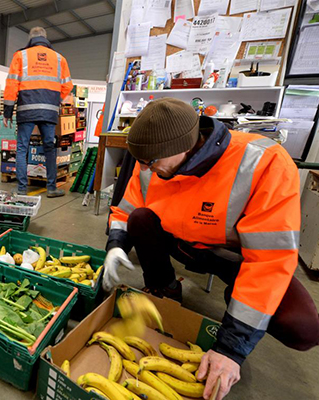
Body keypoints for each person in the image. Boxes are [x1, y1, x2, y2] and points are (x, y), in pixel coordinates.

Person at [102, 98, 319, 399]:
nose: (145, 169)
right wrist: (116, 246)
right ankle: (164, 287)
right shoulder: (152, 163)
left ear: (185, 146)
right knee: (140, 218)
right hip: (183, 244)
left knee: (303, 328)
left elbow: (269, 261)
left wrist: (231, 349)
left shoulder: (263, 163)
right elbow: (126, 211)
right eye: (141, 161)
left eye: (151, 162)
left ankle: (238, 301)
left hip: (237, 260)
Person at [3, 27, 72, 198]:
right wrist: (54, 100)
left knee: (22, 148)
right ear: (45, 38)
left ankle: (21, 188)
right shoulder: (60, 59)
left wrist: (7, 112)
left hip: (26, 109)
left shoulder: (20, 55)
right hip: (49, 111)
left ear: (31, 38)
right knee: (49, 148)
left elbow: (12, 84)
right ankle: (51, 188)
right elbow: (67, 86)